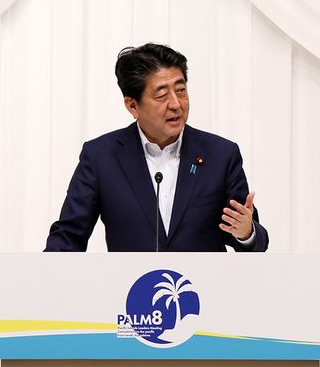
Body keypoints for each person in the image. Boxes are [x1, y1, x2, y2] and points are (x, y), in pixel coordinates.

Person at [45, 43, 268, 252]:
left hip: (202, 290)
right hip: (129, 291)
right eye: (162, 95)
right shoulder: (101, 157)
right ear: (132, 105)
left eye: (181, 90)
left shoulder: (221, 155)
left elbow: (253, 240)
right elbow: (68, 236)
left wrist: (246, 232)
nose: (176, 104)